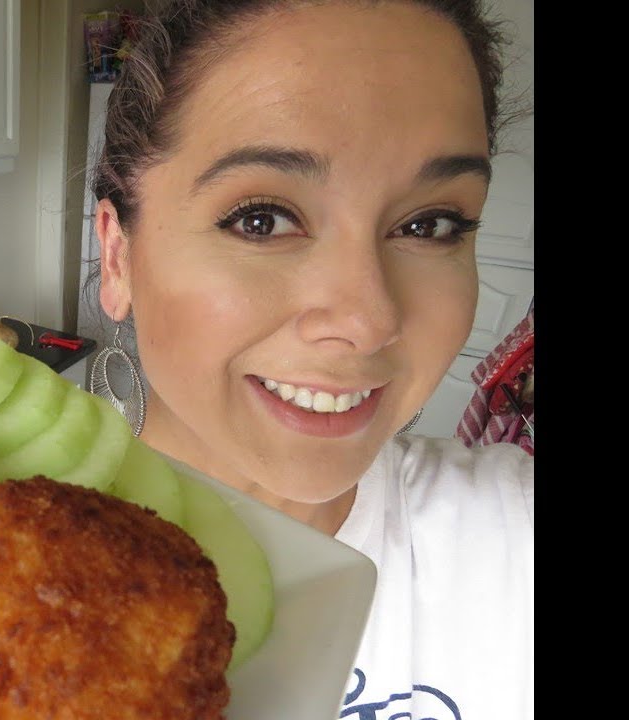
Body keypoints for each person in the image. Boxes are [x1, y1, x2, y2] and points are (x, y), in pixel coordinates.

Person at [88, 0, 534, 717]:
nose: (367, 321)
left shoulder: (509, 538)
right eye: (262, 219)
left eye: (431, 224)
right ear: (118, 256)